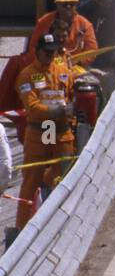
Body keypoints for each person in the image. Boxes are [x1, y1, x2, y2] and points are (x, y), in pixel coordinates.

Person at [14, 34, 79, 229]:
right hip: (42, 130)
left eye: (53, 51)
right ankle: (21, 229)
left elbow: (73, 94)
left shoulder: (63, 71)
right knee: (31, 180)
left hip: (61, 131)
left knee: (64, 178)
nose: (50, 55)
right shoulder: (27, 75)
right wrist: (57, 111)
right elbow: (32, 107)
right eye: (47, 51)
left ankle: (64, 224)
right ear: (37, 51)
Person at [31, 0, 98, 59]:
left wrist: (77, 62)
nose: (68, 7)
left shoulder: (85, 25)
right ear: (57, 5)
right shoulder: (43, 21)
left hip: (74, 65)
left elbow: (92, 51)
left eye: (72, 4)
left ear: (76, 6)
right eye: (64, 4)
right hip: (47, 64)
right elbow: (33, 47)